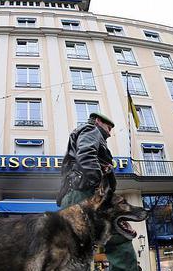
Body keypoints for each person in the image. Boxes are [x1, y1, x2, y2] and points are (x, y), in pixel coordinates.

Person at [57, 112, 139, 271]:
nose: (110, 132)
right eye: (109, 127)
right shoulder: (91, 130)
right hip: (85, 193)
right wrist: (98, 186)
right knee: (118, 238)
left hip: (73, 194)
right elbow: (86, 153)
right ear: (98, 121)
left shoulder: (83, 132)